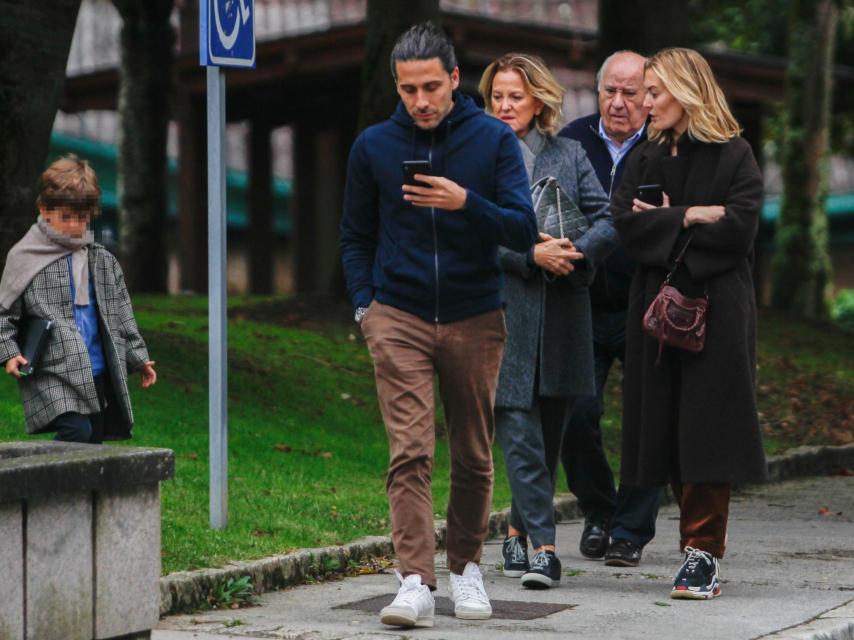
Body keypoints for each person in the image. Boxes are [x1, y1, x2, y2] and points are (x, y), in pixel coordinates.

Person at [339, 23, 537, 628]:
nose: (420, 101)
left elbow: (523, 230)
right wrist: (365, 306)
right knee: (410, 449)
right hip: (396, 313)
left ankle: (466, 567)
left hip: (476, 313)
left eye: (430, 86)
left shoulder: (493, 142)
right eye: (407, 90)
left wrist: (464, 203)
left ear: (454, 79)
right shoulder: (373, 145)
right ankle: (415, 581)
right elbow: (355, 235)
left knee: (475, 452)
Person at [611, 47, 767, 600]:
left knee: (708, 430)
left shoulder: (736, 154)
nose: (643, 103)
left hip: (719, 309)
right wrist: (692, 215)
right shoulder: (644, 157)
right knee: (666, 427)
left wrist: (667, 225)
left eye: (653, 92)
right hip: (654, 308)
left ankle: (701, 555)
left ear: (686, 91)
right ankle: (692, 549)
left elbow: (740, 231)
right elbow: (624, 225)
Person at [478, 53, 617, 590]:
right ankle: (544, 549)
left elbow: (608, 218)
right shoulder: (478, 158)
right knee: (518, 432)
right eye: (497, 96)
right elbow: (468, 236)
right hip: (502, 314)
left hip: (561, 313)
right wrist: (527, 256)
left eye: (515, 95)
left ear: (539, 100)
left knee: (550, 435)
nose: (505, 105)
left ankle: (515, 530)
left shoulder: (571, 153)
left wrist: (574, 253)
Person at [558, 51, 663, 567]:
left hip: (647, 303)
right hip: (582, 303)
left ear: (650, 95)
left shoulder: (668, 144)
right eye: (610, 92)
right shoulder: (572, 141)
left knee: (648, 420)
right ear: (597, 92)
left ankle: (631, 531)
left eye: (631, 92)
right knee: (574, 413)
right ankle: (600, 510)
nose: (619, 103)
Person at [0, 154, 157, 444]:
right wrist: (9, 352)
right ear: (44, 209)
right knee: (76, 432)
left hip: (96, 365)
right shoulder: (24, 257)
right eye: (66, 217)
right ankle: (39, 484)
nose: (74, 225)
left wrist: (139, 358)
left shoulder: (102, 260)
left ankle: (80, 491)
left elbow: (121, 313)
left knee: (93, 438)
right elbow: (4, 314)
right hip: (52, 368)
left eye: (82, 218)